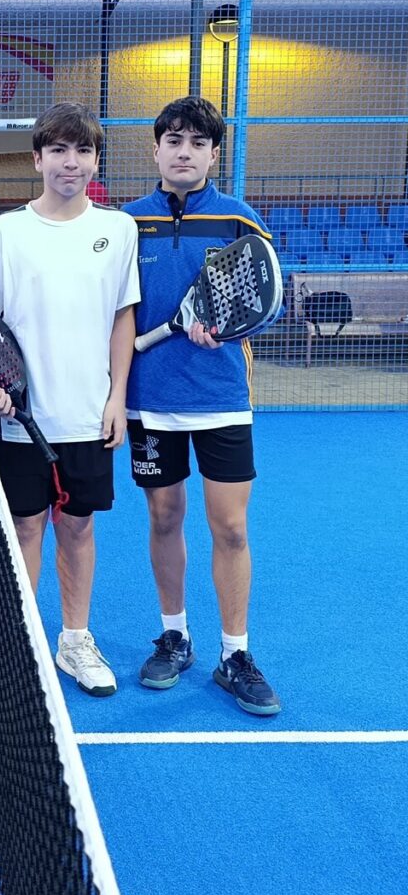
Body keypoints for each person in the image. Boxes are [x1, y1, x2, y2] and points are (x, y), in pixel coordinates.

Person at [0, 102, 139, 697]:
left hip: (88, 415)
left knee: (80, 529)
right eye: (59, 150)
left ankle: (75, 639)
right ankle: (23, 643)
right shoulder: (7, 232)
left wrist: (117, 397)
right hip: (20, 420)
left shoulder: (117, 230)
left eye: (83, 150)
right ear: (37, 159)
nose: (72, 162)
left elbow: (123, 318)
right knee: (26, 528)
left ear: (95, 160)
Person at [120, 96, 281, 715]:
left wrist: (232, 328)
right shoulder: (125, 223)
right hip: (149, 401)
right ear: (155, 149)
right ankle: (175, 636)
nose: (184, 152)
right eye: (173, 141)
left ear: (214, 154)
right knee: (164, 518)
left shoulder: (240, 220)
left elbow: (268, 301)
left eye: (197, 143)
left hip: (220, 399)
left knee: (231, 527)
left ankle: (234, 654)